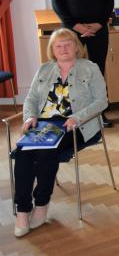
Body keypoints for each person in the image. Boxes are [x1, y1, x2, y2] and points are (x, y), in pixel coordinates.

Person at [13, 29, 108, 237]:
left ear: (76, 47)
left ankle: (41, 204)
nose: (64, 49)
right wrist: (29, 117)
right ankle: (22, 210)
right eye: (59, 46)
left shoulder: (90, 68)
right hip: (44, 123)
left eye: (68, 44)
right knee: (23, 153)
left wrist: (78, 117)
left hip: (75, 125)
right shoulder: (44, 69)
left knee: (46, 152)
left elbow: (102, 101)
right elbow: (30, 100)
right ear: (53, 50)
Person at [51, 0, 114, 127]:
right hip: (72, 31)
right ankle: (71, 115)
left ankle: (99, 114)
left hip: (98, 28)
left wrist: (99, 23)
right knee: (70, 71)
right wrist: (76, 26)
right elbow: (57, 2)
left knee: (97, 71)